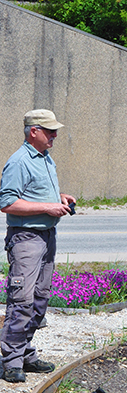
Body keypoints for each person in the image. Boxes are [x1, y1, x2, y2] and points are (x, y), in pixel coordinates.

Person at [0, 109, 76, 383]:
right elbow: (7, 202)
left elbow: (33, 193)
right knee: (21, 301)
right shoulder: (20, 161)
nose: (55, 135)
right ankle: (10, 362)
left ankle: (24, 352)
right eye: (50, 130)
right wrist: (48, 207)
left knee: (40, 300)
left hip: (46, 236)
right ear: (33, 131)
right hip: (26, 239)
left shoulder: (45, 158)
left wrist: (60, 197)